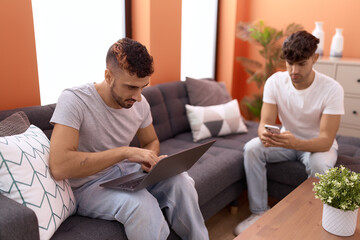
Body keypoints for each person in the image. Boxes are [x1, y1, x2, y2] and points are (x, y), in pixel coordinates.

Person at [49, 38, 209, 240]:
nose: (139, 97)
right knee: (140, 205)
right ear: (108, 76)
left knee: (181, 181)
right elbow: (59, 166)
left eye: (143, 87)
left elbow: (151, 141)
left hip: (126, 174)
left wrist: (150, 159)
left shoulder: (139, 103)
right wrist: (125, 152)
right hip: (87, 186)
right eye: (131, 87)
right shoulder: (75, 100)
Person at [234, 31, 344, 235]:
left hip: (316, 145)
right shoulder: (275, 82)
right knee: (251, 149)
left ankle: (312, 219)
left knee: (320, 164)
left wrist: (294, 143)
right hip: (285, 140)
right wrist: (264, 135)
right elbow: (264, 124)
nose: (294, 70)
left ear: (315, 58)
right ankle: (259, 212)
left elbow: (326, 142)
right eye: (289, 63)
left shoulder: (332, 89)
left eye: (301, 63)